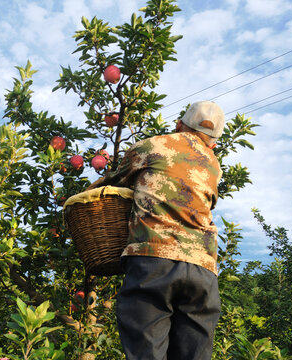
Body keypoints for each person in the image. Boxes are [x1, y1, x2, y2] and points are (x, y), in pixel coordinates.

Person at [93, 101, 225, 359]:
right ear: (214, 143)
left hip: (154, 260)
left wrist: (73, 201)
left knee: (147, 353)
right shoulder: (213, 165)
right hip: (203, 269)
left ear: (178, 125)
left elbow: (112, 184)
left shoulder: (152, 146)